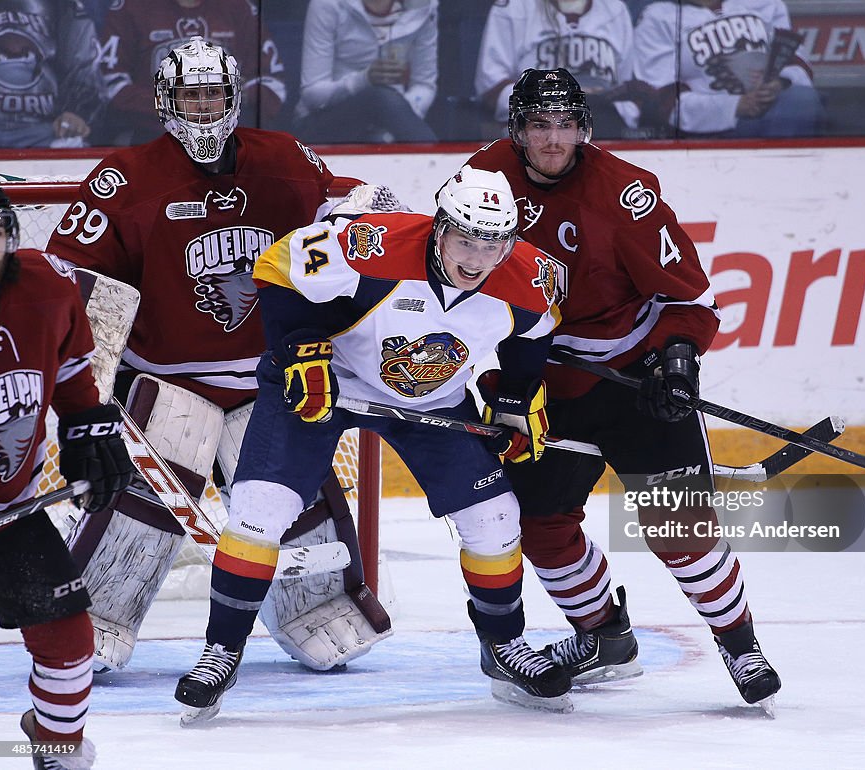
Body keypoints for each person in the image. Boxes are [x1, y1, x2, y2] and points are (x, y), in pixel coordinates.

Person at [175, 165, 573, 722]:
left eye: (493, 243)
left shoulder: (532, 278)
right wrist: (298, 352)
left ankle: (503, 645)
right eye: (465, 239)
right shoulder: (370, 243)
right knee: (259, 512)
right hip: (330, 380)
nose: (478, 258)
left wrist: (514, 402)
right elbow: (277, 268)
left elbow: (531, 339)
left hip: (432, 397)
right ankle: (222, 651)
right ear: (439, 228)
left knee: (495, 517)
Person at [46, 35, 391, 678]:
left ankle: (320, 610)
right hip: (168, 379)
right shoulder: (125, 177)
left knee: (297, 501)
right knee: (141, 507)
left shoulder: (285, 158)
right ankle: (99, 619)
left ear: (234, 99)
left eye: (213, 93)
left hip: (271, 375)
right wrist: (84, 383)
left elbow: (345, 210)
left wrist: (365, 211)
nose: (202, 107)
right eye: (189, 94)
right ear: (163, 101)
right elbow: (70, 279)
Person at [465, 68, 782, 707]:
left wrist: (678, 365)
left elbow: (691, 298)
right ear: (517, 131)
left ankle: (740, 643)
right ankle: (604, 635)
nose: (552, 140)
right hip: (544, 381)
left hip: (633, 374)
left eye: (564, 125)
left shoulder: (627, 195)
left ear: (583, 130)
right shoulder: (483, 180)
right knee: (541, 523)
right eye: (537, 125)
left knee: (681, 528)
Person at [0, 187, 131, 769]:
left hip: (14, 514)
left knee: (71, 644)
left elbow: (74, 368)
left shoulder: (47, 289)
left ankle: (56, 749)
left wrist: (87, 431)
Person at [96, 0, 288, 145]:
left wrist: (232, 96)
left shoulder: (239, 8)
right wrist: (175, 108)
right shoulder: (131, 8)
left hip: (229, 139)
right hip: (152, 136)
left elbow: (272, 84)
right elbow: (111, 86)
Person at [632, 0, 823, 137]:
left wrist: (779, 83)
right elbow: (660, 99)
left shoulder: (765, 3)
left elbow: (795, 59)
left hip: (774, 107)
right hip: (708, 129)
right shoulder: (657, 17)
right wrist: (733, 107)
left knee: (800, 100)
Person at [474, 0, 638, 139]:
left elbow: (627, 92)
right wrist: (555, 98)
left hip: (604, 129)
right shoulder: (513, 7)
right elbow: (492, 92)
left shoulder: (616, 9)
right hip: (535, 130)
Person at [293, 0, 439, 144]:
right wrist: (365, 79)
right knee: (378, 96)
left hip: (391, 121)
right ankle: (439, 161)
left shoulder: (423, 6)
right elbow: (312, 95)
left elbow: (424, 85)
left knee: (384, 104)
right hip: (324, 121)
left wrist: (399, 115)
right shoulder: (328, 5)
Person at [0, 0, 106, 148]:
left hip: (48, 131)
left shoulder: (68, 7)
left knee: (72, 145)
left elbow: (83, 71)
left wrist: (76, 113)